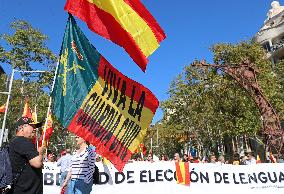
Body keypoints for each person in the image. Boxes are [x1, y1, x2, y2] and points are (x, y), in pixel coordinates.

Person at [9, 117, 44, 194]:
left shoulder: (14, 142)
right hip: (27, 191)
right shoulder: (24, 141)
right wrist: (40, 153)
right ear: (22, 128)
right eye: (32, 126)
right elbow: (37, 163)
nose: (35, 129)